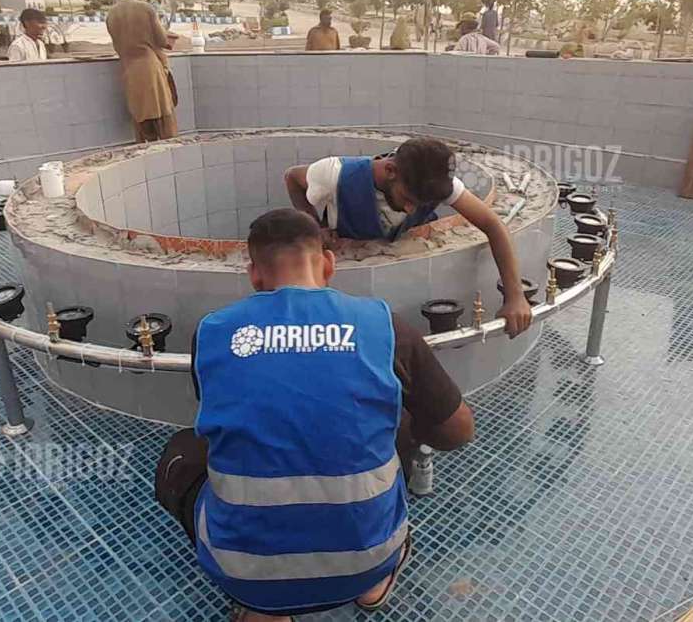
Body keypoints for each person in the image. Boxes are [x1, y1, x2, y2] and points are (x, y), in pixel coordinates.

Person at [155, 209, 475, 622]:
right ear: (328, 264)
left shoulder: (214, 331)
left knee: (184, 450)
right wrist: (409, 433)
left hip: (244, 573)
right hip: (371, 557)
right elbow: (458, 432)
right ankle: (372, 582)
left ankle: (264, 609)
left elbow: (223, 423)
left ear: (255, 275)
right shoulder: (383, 326)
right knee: (393, 419)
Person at [284, 137, 534, 338]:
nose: (411, 210)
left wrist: (514, 296)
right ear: (390, 170)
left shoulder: (434, 181)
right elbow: (292, 177)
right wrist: (314, 227)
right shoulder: (334, 174)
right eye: (408, 200)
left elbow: (493, 224)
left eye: (421, 203)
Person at [106, 0, 179, 142]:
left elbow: (117, 46)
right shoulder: (145, 8)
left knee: (142, 122)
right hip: (150, 68)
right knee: (163, 119)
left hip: (129, 71)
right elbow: (161, 40)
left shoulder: (111, 15)